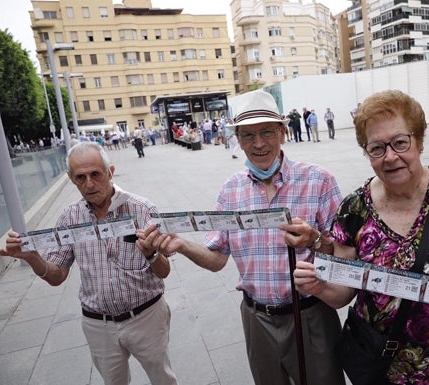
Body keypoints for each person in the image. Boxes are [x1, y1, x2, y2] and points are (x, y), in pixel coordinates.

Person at [291, 90, 429, 385]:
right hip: (382, 368)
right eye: (377, 148)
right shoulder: (353, 209)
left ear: (419, 141)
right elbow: (343, 292)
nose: (390, 157)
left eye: (400, 142)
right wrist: (319, 286)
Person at [138, 91, 346, 385]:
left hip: (311, 314)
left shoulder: (318, 180)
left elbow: (345, 254)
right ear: (237, 138)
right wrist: (182, 245)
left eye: (266, 132)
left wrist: (316, 241)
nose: (258, 144)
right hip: (256, 318)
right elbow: (217, 259)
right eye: (248, 136)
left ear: (283, 133)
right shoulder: (231, 190)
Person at [0, 142, 178, 385]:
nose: (89, 184)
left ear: (110, 172)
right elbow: (57, 275)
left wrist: (151, 254)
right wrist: (32, 257)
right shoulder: (69, 218)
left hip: (146, 317)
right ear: (71, 179)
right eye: (80, 177)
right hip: (98, 324)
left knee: (163, 378)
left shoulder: (142, 209)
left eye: (95, 174)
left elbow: (164, 271)